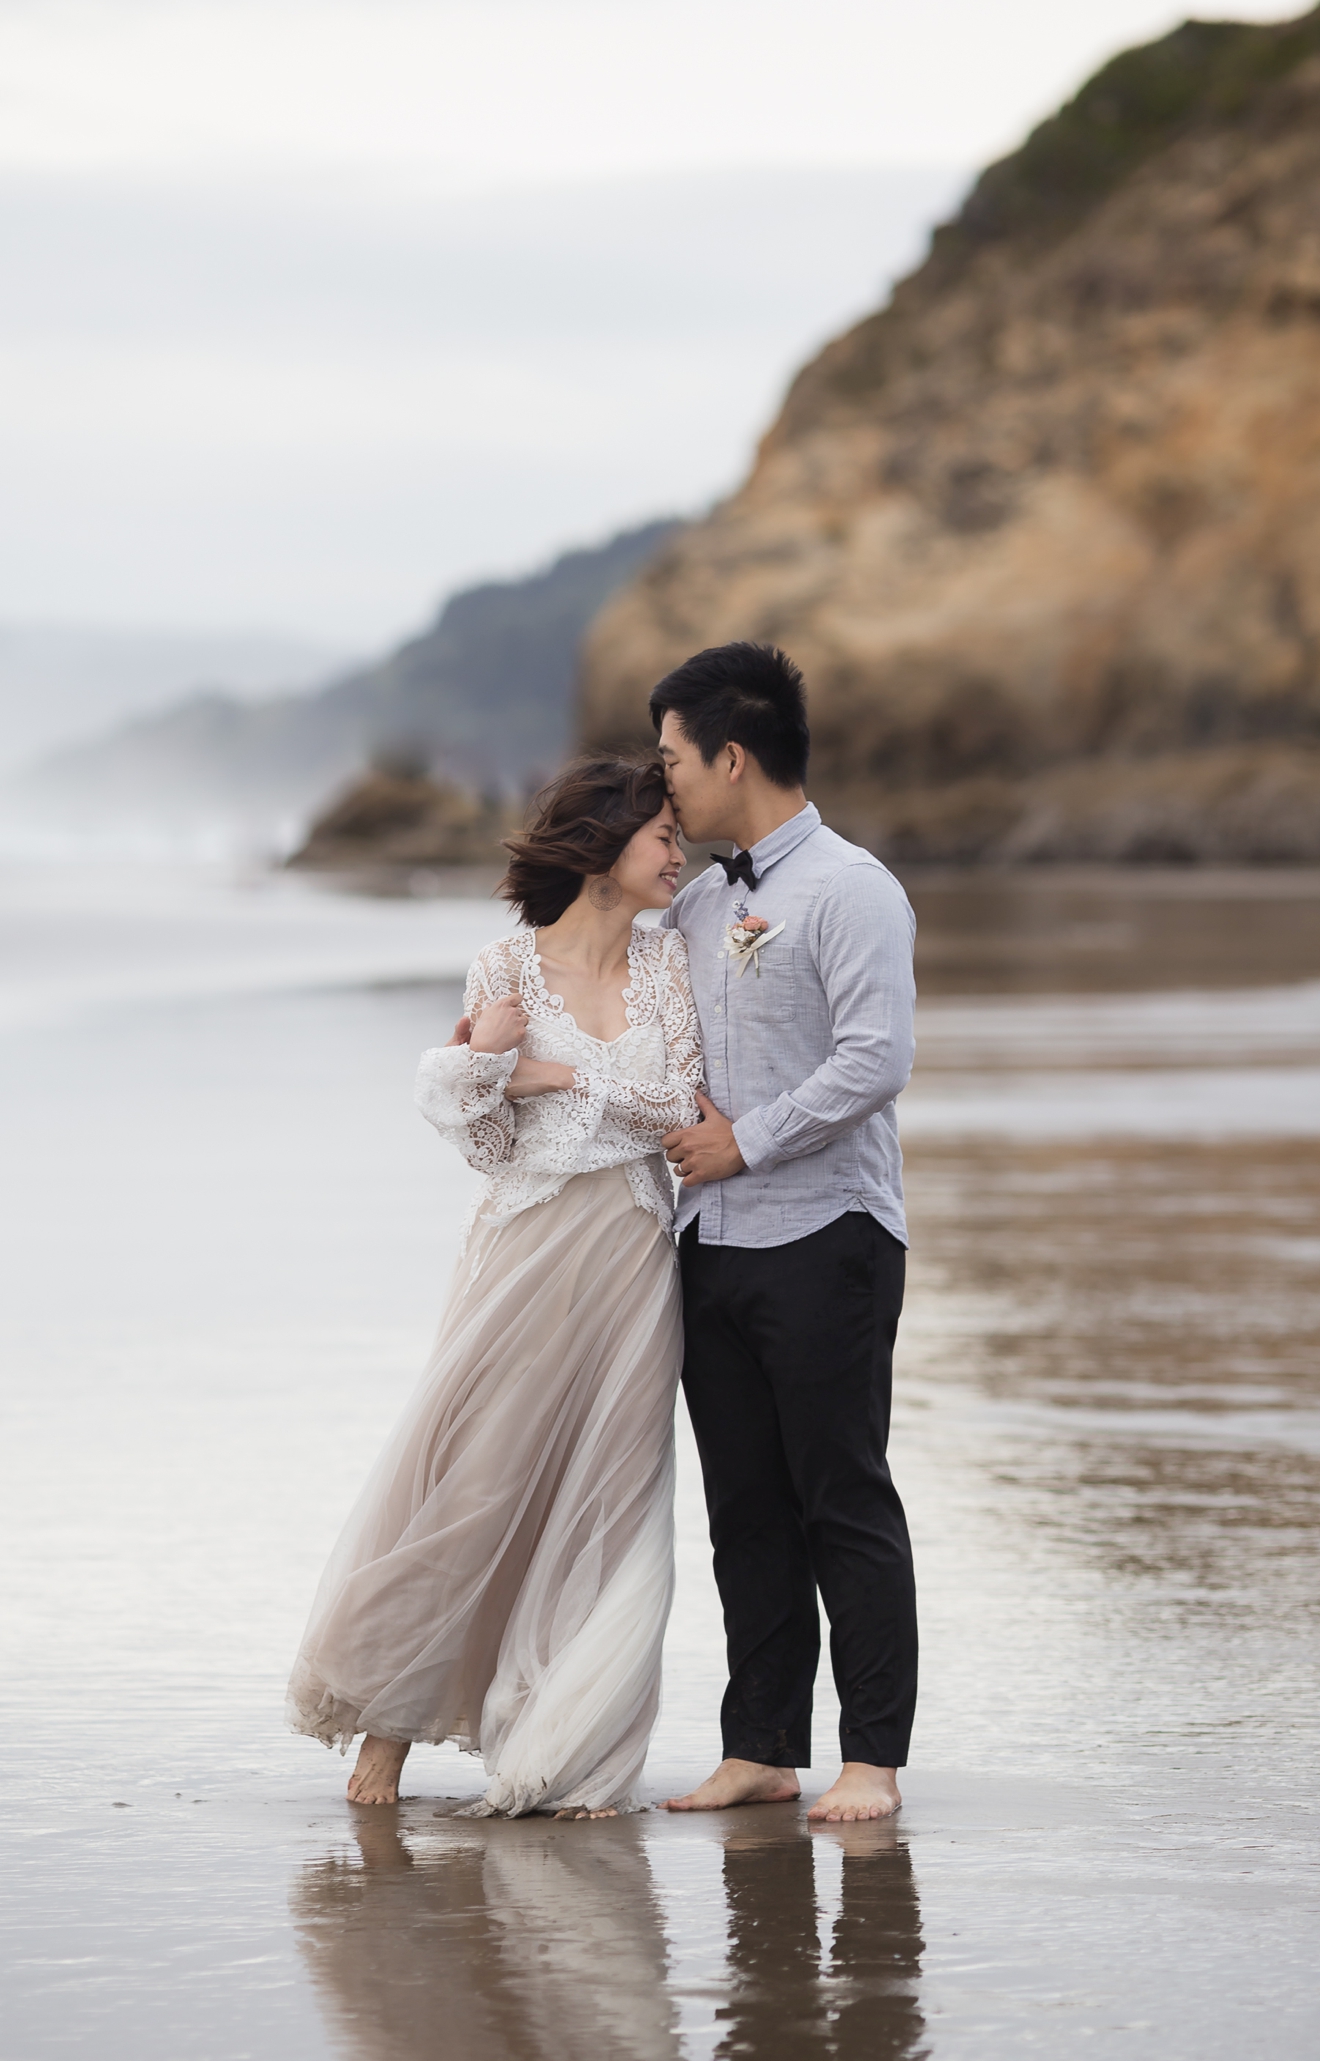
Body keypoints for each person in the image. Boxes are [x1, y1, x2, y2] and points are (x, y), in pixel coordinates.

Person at [286, 759, 703, 1817]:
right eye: (663, 836)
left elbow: (679, 1107)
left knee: (614, 1499)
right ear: (605, 848)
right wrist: (490, 1071)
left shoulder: (669, 961)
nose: (680, 853)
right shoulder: (503, 967)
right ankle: (385, 1732)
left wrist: (557, 1075)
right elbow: (486, 1144)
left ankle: (573, 1755)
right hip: (523, 1256)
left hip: (633, 1258)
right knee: (478, 1481)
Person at [654, 641, 919, 1824]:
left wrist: (747, 1143)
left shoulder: (853, 889)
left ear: (732, 757)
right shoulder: (699, 903)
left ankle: (872, 1761)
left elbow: (876, 1059)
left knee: (841, 1500)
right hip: (709, 1245)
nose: (664, 785)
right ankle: (760, 1748)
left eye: (672, 760)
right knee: (745, 1510)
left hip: (828, 1236)